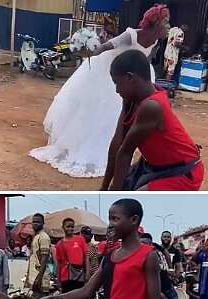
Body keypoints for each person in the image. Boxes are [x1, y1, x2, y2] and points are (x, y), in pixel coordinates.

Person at [30, 4, 170, 179]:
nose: (169, 26)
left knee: (114, 116)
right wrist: (89, 48)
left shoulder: (156, 41)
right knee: (95, 111)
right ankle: (80, 144)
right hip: (107, 73)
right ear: (156, 24)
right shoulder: (132, 35)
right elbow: (107, 47)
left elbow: (143, 60)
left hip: (129, 77)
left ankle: (110, 147)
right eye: (166, 22)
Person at [103, 49, 204, 191]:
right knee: (123, 184)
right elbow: (117, 143)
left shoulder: (152, 106)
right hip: (155, 166)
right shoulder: (131, 100)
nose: (117, 90)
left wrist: (113, 191)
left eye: (117, 83)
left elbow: (125, 152)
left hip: (182, 173)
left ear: (130, 78)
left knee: (134, 193)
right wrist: (104, 187)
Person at [54, 218, 88, 299]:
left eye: (72, 226)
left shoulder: (80, 240)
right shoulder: (59, 244)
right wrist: (58, 279)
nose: (70, 229)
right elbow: (58, 263)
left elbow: (86, 257)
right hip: (65, 276)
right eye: (68, 226)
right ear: (63, 227)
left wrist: (87, 273)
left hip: (78, 275)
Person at [140, 232, 180, 299]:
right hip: (161, 276)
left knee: (167, 296)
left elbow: (177, 265)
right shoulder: (155, 247)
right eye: (164, 236)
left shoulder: (140, 248)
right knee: (172, 296)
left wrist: (171, 269)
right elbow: (166, 254)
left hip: (155, 277)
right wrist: (169, 268)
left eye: (168, 237)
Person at [25, 213, 52, 299]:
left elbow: (45, 258)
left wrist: (38, 278)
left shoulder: (44, 237)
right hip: (35, 275)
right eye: (34, 222)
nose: (35, 224)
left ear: (43, 223)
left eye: (38, 222)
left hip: (40, 276)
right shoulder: (36, 237)